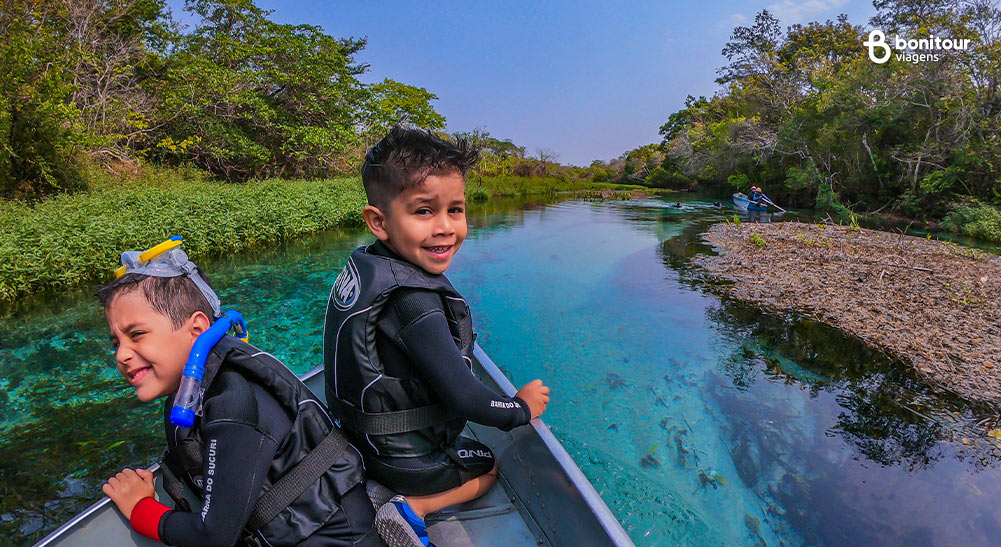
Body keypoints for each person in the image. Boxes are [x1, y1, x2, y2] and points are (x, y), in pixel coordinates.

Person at [322, 127, 551, 547]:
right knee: (487, 467)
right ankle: (410, 507)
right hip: (396, 462)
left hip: (355, 441)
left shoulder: (372, 267)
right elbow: (467, 398)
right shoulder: (415, 304)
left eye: (456, 210)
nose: (445, 227)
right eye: (424, 211)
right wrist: (519, 408)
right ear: (379, 222)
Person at [98, 239, 378, 546]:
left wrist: (141, 509)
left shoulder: (233, 403)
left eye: (136, 335)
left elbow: (214, 535)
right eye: (116, 343)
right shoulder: (195, 393)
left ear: (197, 330)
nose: (121, 355)